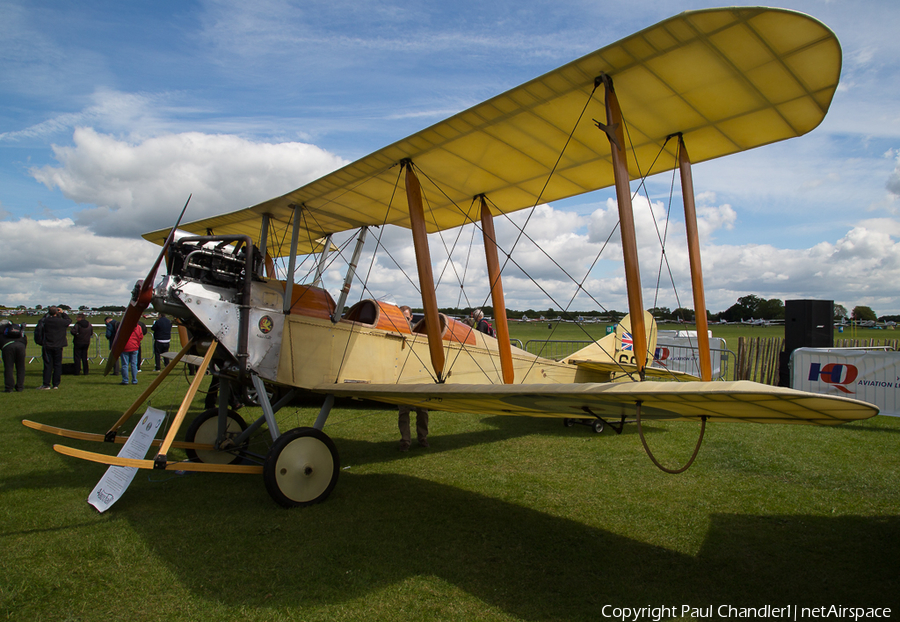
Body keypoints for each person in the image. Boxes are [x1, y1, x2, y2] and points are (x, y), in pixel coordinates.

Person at [397, 305, 429, 451]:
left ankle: (422, 437)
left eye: (406, 316)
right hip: (402, 377)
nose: (404, 318)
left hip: (418, 375)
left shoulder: (417, 333)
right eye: (401, 315)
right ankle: (405, 440)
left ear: (410, 318)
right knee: (404, 411)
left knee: (422, 410)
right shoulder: (395, 331)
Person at [38, 306, 71, 390]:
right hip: (58, 345)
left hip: (48, 345)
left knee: (48, 365)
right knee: (57, 365)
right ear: (57, 312)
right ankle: (56, 384)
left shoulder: (46, 321)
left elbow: (41, 322)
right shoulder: (61, 322)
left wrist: (48, 314)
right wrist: (63, 313)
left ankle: (46, 384)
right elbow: (69, 320)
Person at [0, 320, 27, 392]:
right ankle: (20, 387)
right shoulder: (17, 330)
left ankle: (9, 387)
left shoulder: (2, 331)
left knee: (9, 367)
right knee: (21, 367)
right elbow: (24, 338)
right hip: (21, 346)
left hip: (7, 347)